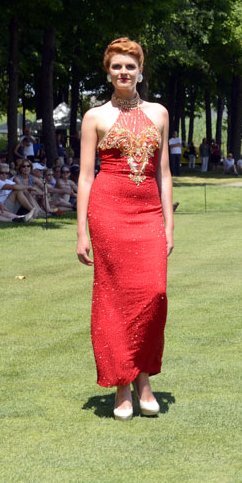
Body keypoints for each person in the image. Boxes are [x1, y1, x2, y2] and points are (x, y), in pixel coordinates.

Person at [76, 37, 173, 421]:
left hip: (148, 212)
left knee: (155, 293)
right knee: (114, 299)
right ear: (108, 72)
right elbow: (85, 177)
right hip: (108, 212)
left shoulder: (160, 113)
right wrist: (81, 231)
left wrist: (169, 223)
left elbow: (165, 174)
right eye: (116, 66)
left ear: (140, 71)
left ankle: (144, 376)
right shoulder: (94, 117)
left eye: (129, 66)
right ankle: (123, 386)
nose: (123, 72)